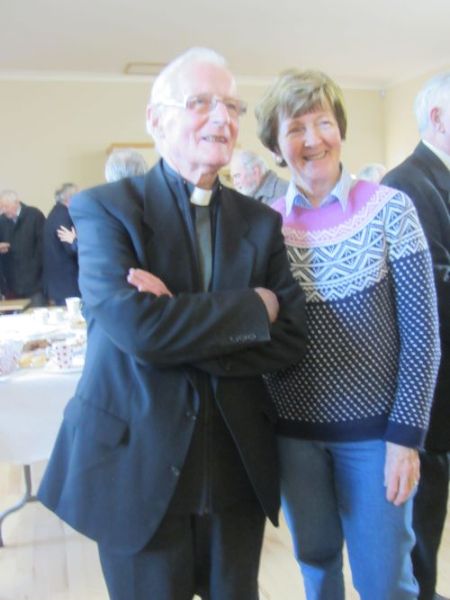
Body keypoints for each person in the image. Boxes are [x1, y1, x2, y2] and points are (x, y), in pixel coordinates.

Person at [38, 47, 308, 600]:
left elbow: (290, 340)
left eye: (231, 105)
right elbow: (138, 331)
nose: (221, 117)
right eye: (200, 102)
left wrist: (172, 315)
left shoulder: (260, 222)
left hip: (234, 468)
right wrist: (252, 309)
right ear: (156, 120)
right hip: (134, 463)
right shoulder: (105, 209)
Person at [255, 69, 441, 600]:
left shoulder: (389, 209)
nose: (312, 139)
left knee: (385, 580)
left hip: (376, 439)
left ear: (340, 129)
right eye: (295, 128)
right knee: (316, 567)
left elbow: (423, 337)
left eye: (323, 123)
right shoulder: (264, 225)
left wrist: (405, 440)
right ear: (276, 146)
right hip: (293, 437)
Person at [382, 71, 450, 600]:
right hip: (430, 387)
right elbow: (432, 289)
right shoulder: (408, 183)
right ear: (438, 117)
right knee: (421, 523)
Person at [0, 189, 46, 306]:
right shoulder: (2, 221)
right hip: (12, 284)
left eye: (6, 206)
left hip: (35, 282)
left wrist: (35, 270)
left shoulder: (34, 215)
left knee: (38, 313)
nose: (3, 210)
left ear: (16, 203)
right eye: (2, 207)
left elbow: (43, 246)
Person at [43, 182, 80, 305]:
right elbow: (71, 248)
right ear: (71, 199)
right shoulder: (65, 217)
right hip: (69, 283)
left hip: (59, 283)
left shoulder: (54, 214)